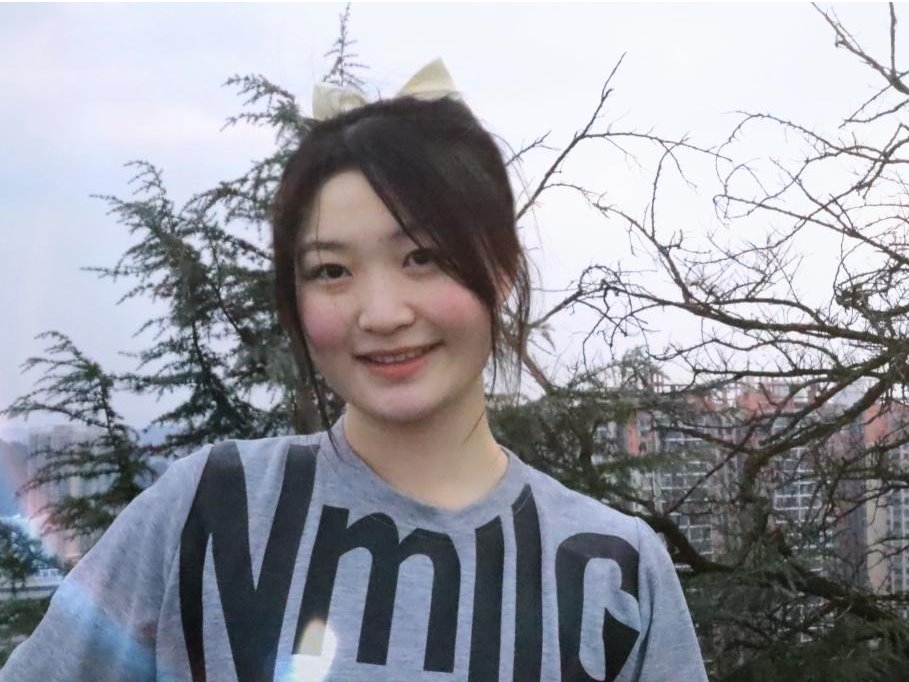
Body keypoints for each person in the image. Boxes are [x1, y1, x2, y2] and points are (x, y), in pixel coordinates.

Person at [0, 59, 708, 682]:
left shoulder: (613, 570)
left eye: (422, 257)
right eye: (331, 270)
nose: (381, 313)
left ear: (500, 269)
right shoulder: (208, 512)